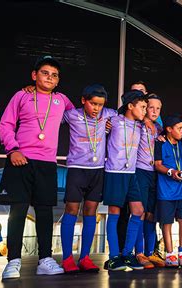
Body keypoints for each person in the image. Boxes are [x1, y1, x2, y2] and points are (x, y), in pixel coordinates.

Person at [0, 55, 74, 279]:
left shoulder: (62, 101)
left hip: (47, 163)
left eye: (54, 75)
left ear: (58, 80)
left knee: (45, 211)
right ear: (34, 75)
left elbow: (81, 115)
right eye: (44, 73)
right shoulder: (22, 95)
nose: (49, 78)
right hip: (20, 159)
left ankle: (45, 259)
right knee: (18, 210)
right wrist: (13, 149)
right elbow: (6, 124)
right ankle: (13, 261)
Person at [60, 84, 117, 273]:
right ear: (83, 101)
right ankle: (67, 258)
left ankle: (85, 257)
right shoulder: (72, 115)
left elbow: (130, 115)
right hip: (77, 168)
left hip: (98, 170)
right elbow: (52, 110)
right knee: (71, 209)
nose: (96, 108)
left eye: (100, 105)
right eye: (93, 104)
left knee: (91, 211)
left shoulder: (109, 114)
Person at [103, 90, 147, 271]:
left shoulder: (140, 125)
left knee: (138, 210)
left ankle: (127, 254)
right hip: (114, 171)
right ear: (130, 106)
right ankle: (114, 256)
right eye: (142, 107)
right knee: (114, 212)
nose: (145, 111)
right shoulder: (113, 120)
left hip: (131, 173)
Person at [154, 114, 182, 268]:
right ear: (169, 129)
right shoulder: (160, 144)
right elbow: (157, 165)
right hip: (166, 191)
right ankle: (170, 254)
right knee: (166, 222)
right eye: (180, 128)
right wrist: (171, 172)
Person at [134, 93, 163, 268]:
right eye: (150, 107)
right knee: (140, 212)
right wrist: (144, 119)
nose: (154, 111)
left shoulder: (160, 129)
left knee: (152, 215)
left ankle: (150, 252)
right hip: (141, 171)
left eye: (158, 108)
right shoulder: (137, 124)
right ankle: (139, 253)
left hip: (156, 174)